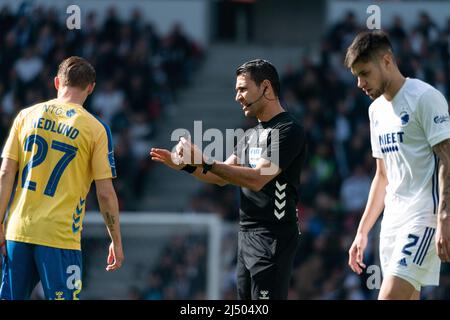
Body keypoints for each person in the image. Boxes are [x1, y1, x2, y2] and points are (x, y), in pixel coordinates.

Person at [150, 59, 307, 300]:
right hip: (246, 234)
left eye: (242, 89)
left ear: (266, 87)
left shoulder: (288, 130)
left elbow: (257, 179)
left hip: (273, 235)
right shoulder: (250, 134)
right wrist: (184, 165)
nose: (237, 97)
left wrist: (203, 160)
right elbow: (220, 177)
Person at [0, 56, 124, 300]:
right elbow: (105, 193)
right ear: (91, 87)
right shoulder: (96, 129)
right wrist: (116, 241)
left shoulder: (26, 115)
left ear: (57, 82)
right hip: (59, 237)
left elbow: (5, 173)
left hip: (18, 230)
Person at [345, 30, 450, 300]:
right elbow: (382, 176)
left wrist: (445, 217)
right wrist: (362, 231)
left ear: (387, 61)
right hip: (392, 223)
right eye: (356, 75)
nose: (360, 83)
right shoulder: (375, 111)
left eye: (365, 73)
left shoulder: (425, 98)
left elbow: (447, 160)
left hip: (423, 217)